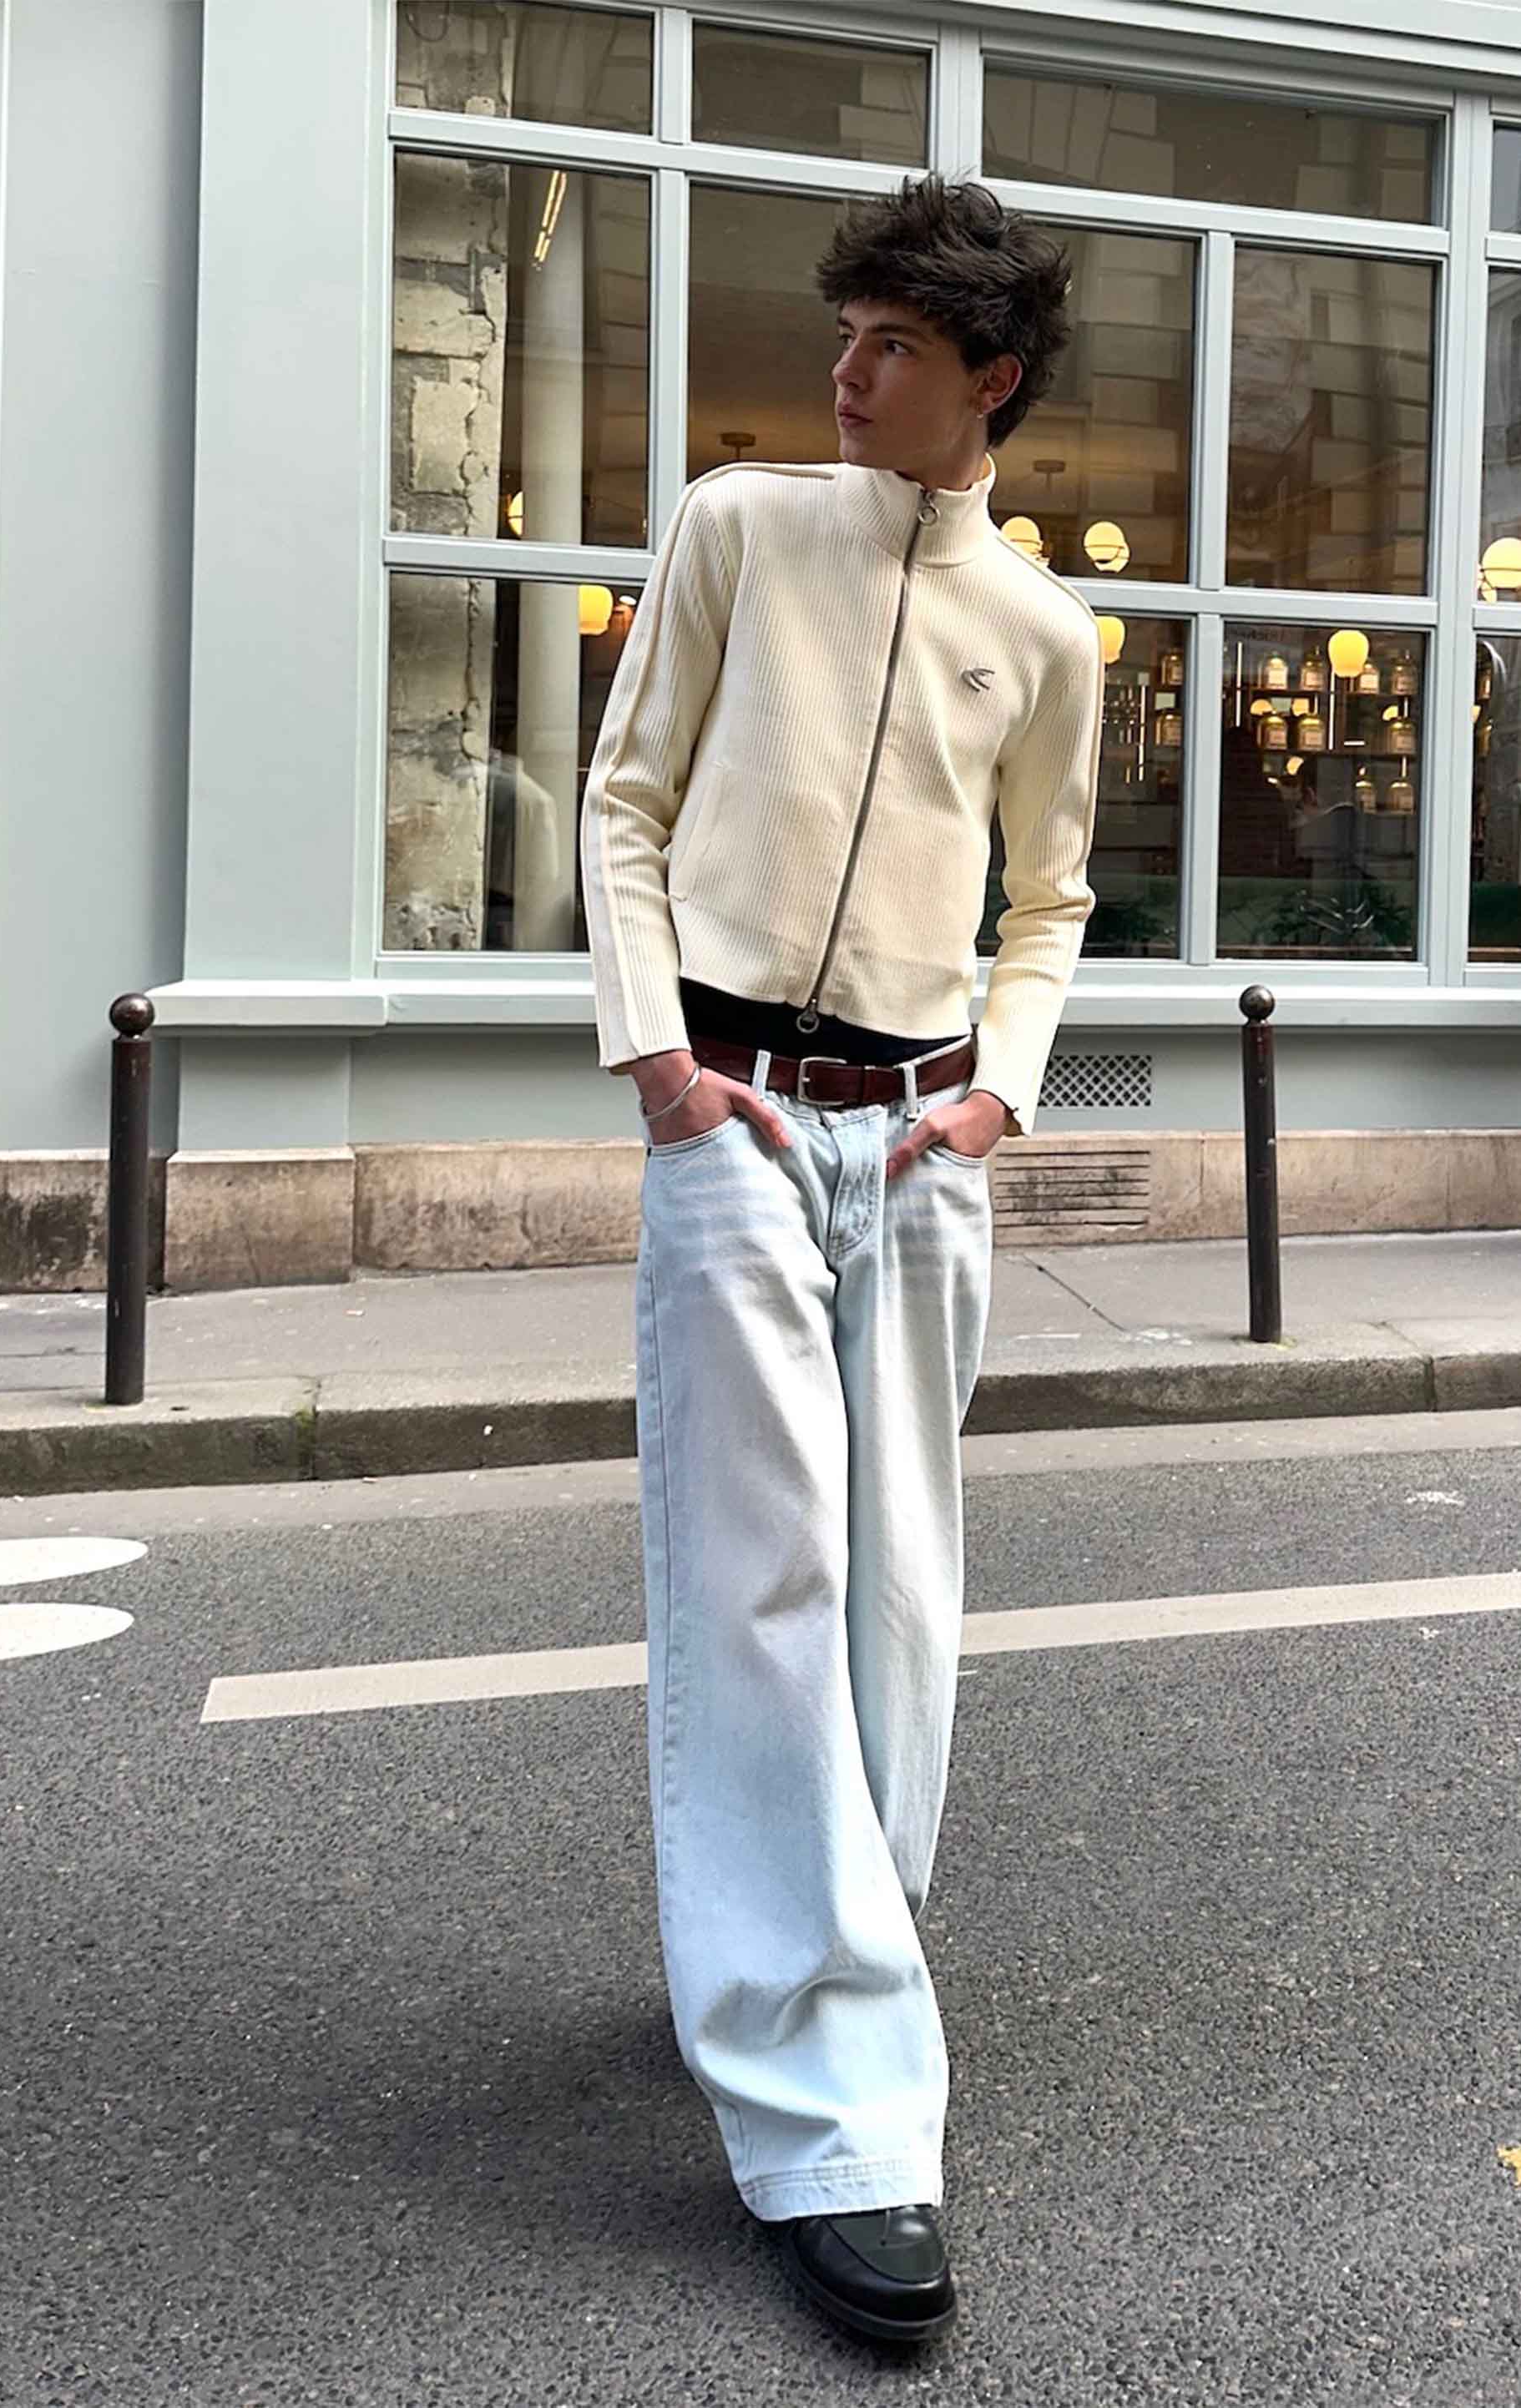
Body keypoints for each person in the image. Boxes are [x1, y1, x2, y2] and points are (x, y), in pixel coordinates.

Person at [581, 173, 1104, 2345]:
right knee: (765, 1585)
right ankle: (836, 2115)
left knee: (900, 1586)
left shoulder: (1046, 632)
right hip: (735, 1111)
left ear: (990, 378)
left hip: (918, 1141)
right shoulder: (736, 527)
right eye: (846, 335)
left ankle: (825, 1921)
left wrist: (1002, 1094)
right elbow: (626, 801)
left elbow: (1050, 897)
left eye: (892, 346)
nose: (847, 373)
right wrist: (656, 1059)